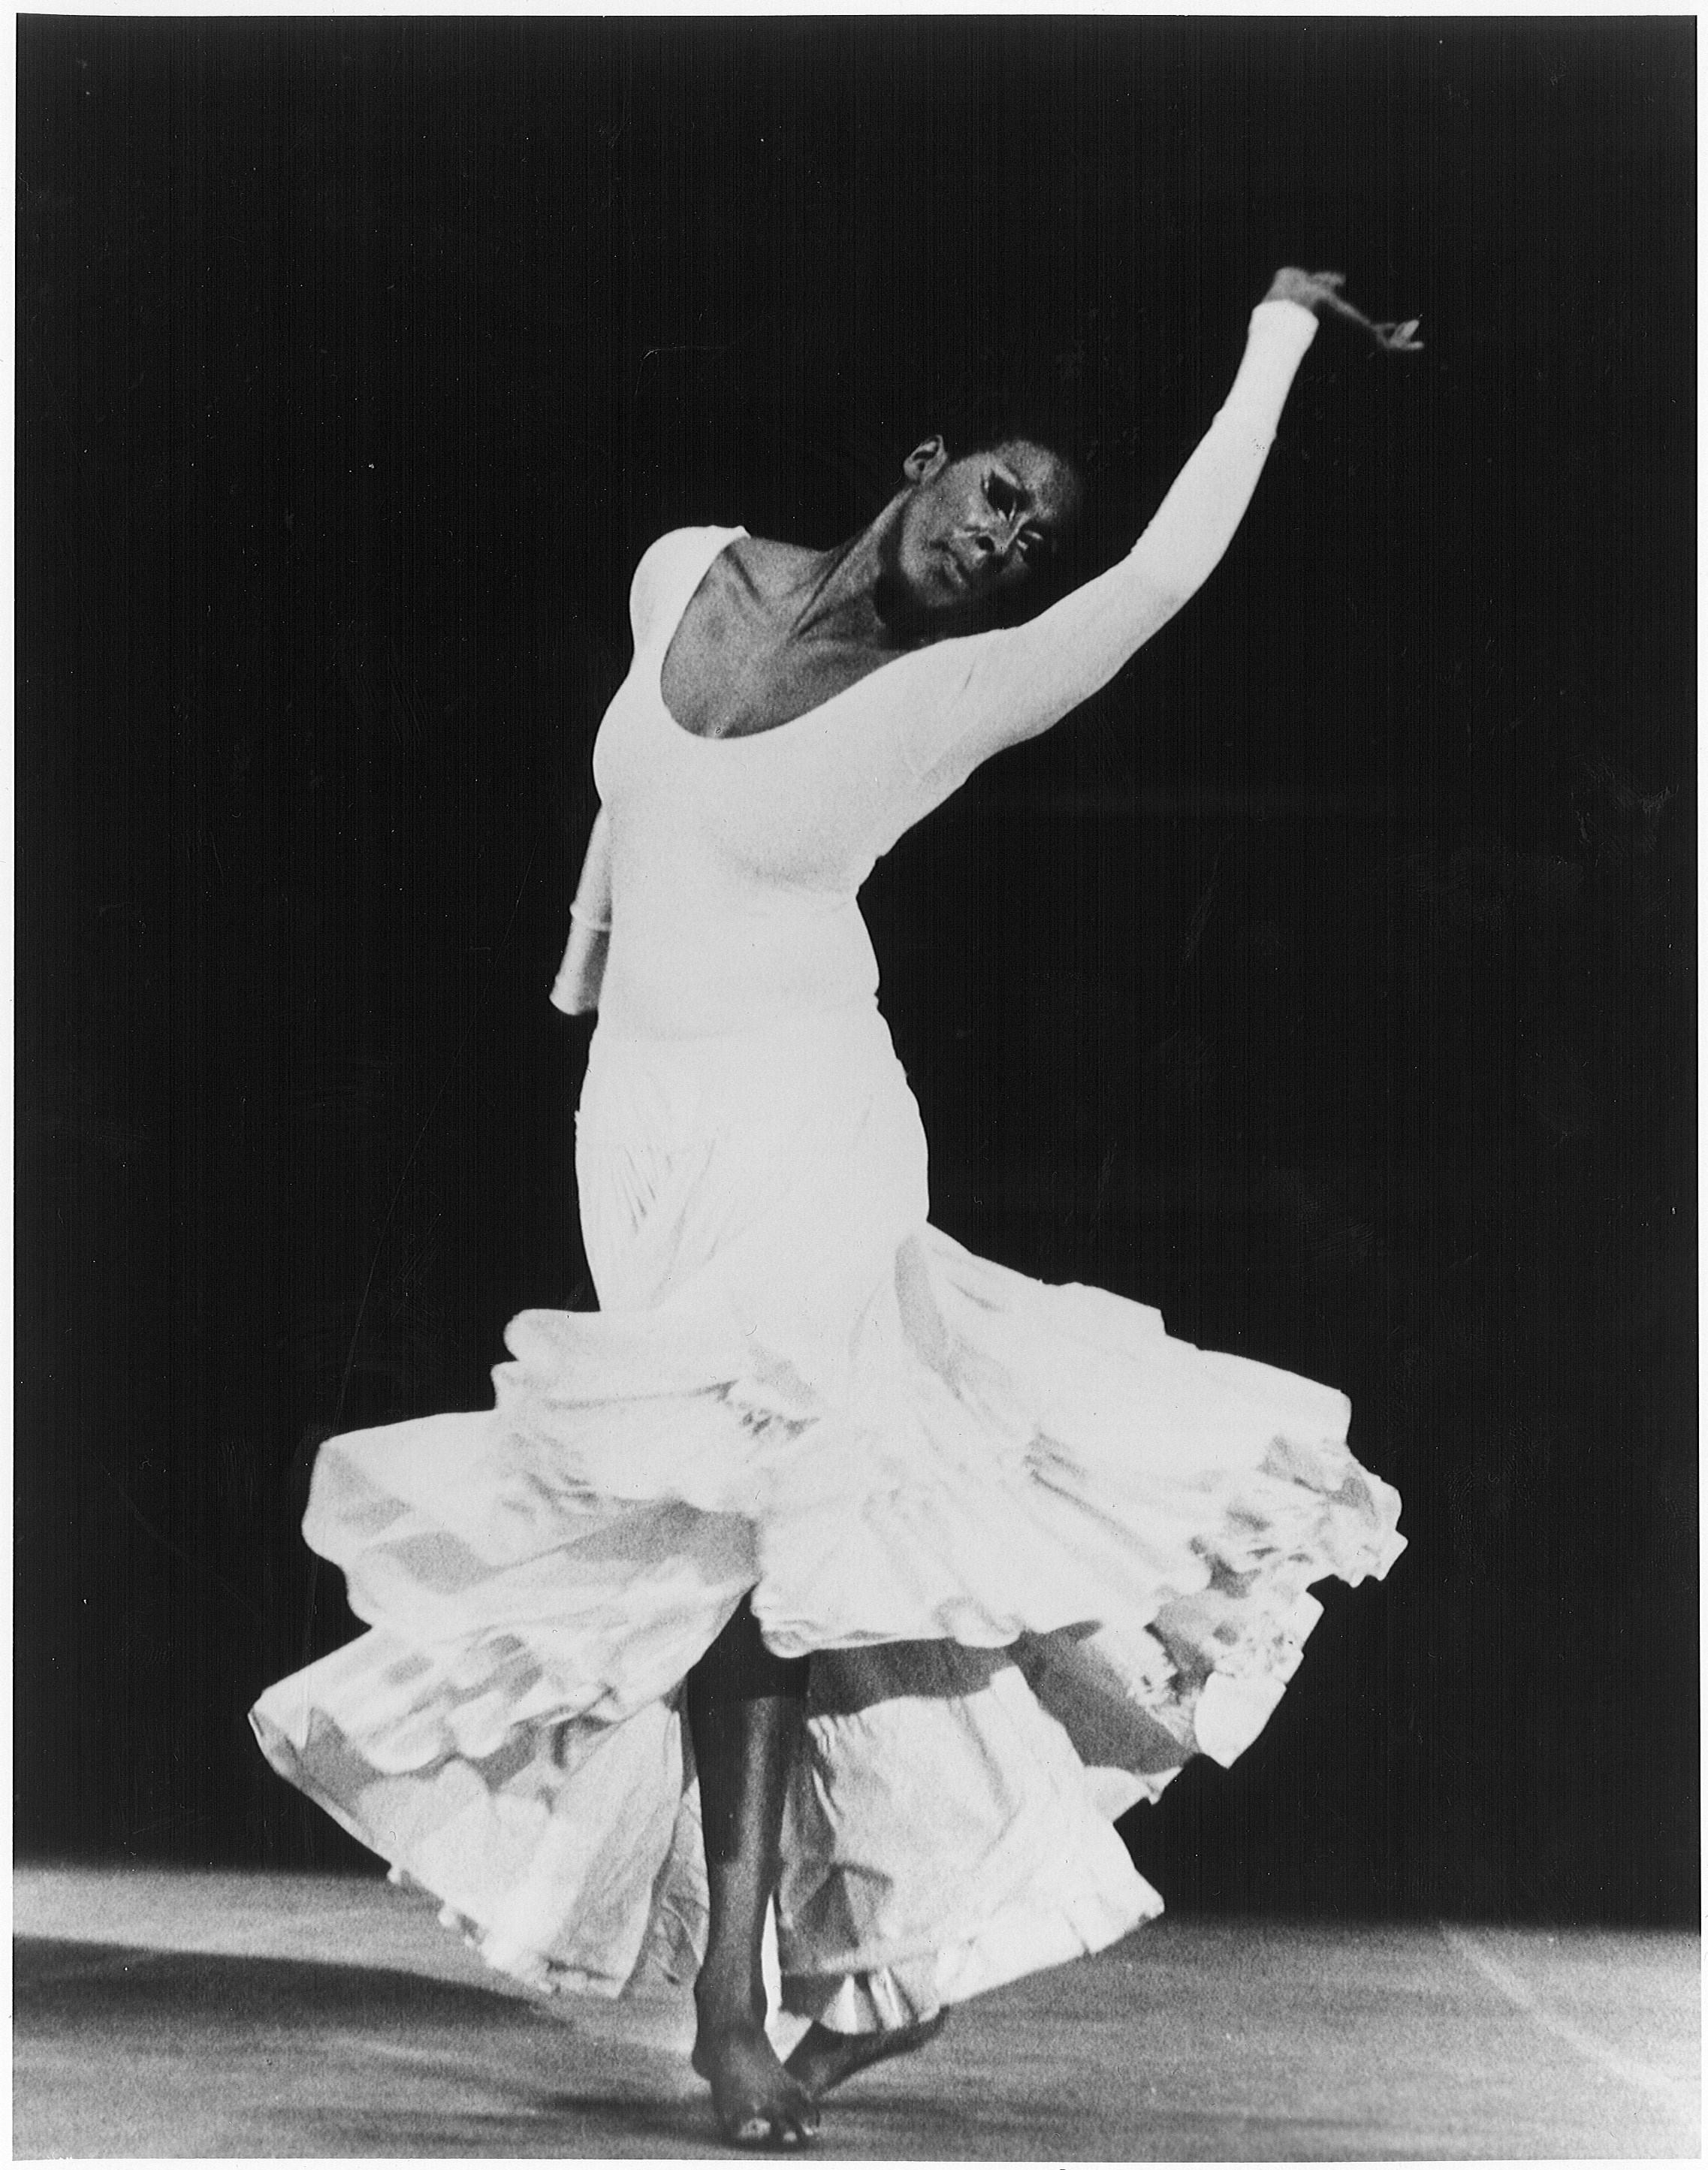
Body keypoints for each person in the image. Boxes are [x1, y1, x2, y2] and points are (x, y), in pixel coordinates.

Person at [252, 267, 1408, 2147]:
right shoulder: (683, 566)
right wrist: (584, 977)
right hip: (641, 1124)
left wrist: (1275, 333)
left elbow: (1168, 575)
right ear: (928, 464)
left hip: (814, 1121)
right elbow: (635, 800)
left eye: (1040, 535)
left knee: (768, 1533)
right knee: (725, 1543)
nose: (1012, 539)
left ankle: (737, 2006)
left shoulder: (957, 686)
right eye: (1000, 493)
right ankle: (902, 1941)